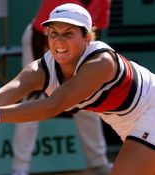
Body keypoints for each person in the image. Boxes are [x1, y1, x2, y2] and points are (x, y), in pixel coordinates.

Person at [0, 3, 155, 175]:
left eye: (68, 33)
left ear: (87, 38)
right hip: (126, 122)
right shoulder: (41, 69)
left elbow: (52, 105)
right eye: (53, 33)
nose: (59, 41)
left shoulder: (101, 63)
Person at [12, 1, 111, 175]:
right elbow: (37, 32)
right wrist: (40, 75)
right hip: (41, 44)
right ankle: (20, 169)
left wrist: (89, 64)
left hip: (77, 47)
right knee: (32, 103)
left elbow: (95, 33)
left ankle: (98, 163)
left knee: (87, 101)